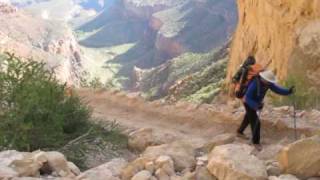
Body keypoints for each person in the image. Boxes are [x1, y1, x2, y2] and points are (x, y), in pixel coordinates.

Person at [237, 70, 294, 151]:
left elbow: (277, 89)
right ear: (264, 79)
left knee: (249, 117)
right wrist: (256, 106)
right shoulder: (254, 84)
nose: (270, 83)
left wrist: (288, 91)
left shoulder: (268, 83)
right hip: (248, 102)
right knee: (256, 122)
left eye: (270, 82)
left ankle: (239, 132)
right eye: (269, 81)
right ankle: (256, 142)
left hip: (256, 102)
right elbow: (247, 98)